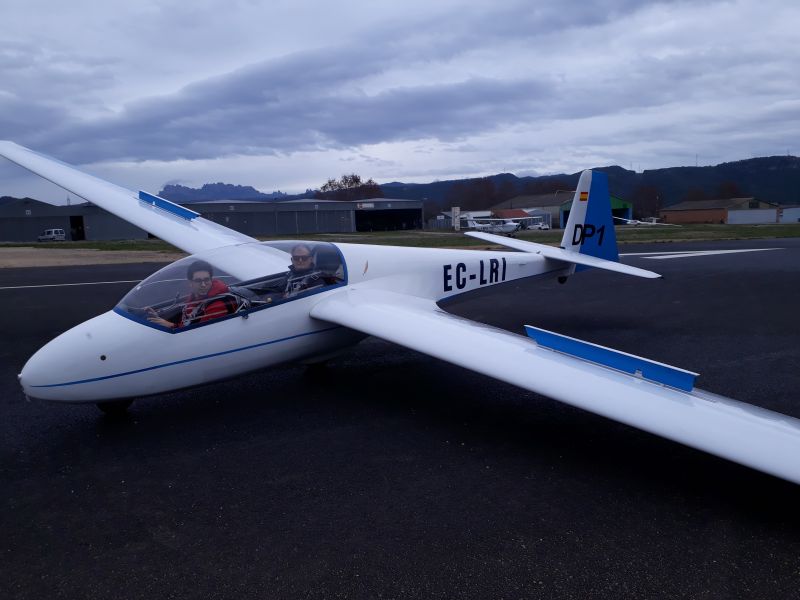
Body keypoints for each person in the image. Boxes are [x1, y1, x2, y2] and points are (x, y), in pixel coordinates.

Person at [147, 260, 235, 329]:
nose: (203, 285)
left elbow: (196, 332)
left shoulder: (217, 305)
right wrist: (159, 317)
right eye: (198, 281)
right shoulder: (197, 296)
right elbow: (186, 316)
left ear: (211, 280)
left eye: (206, 280)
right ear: (190, 283)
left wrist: (171, 325)